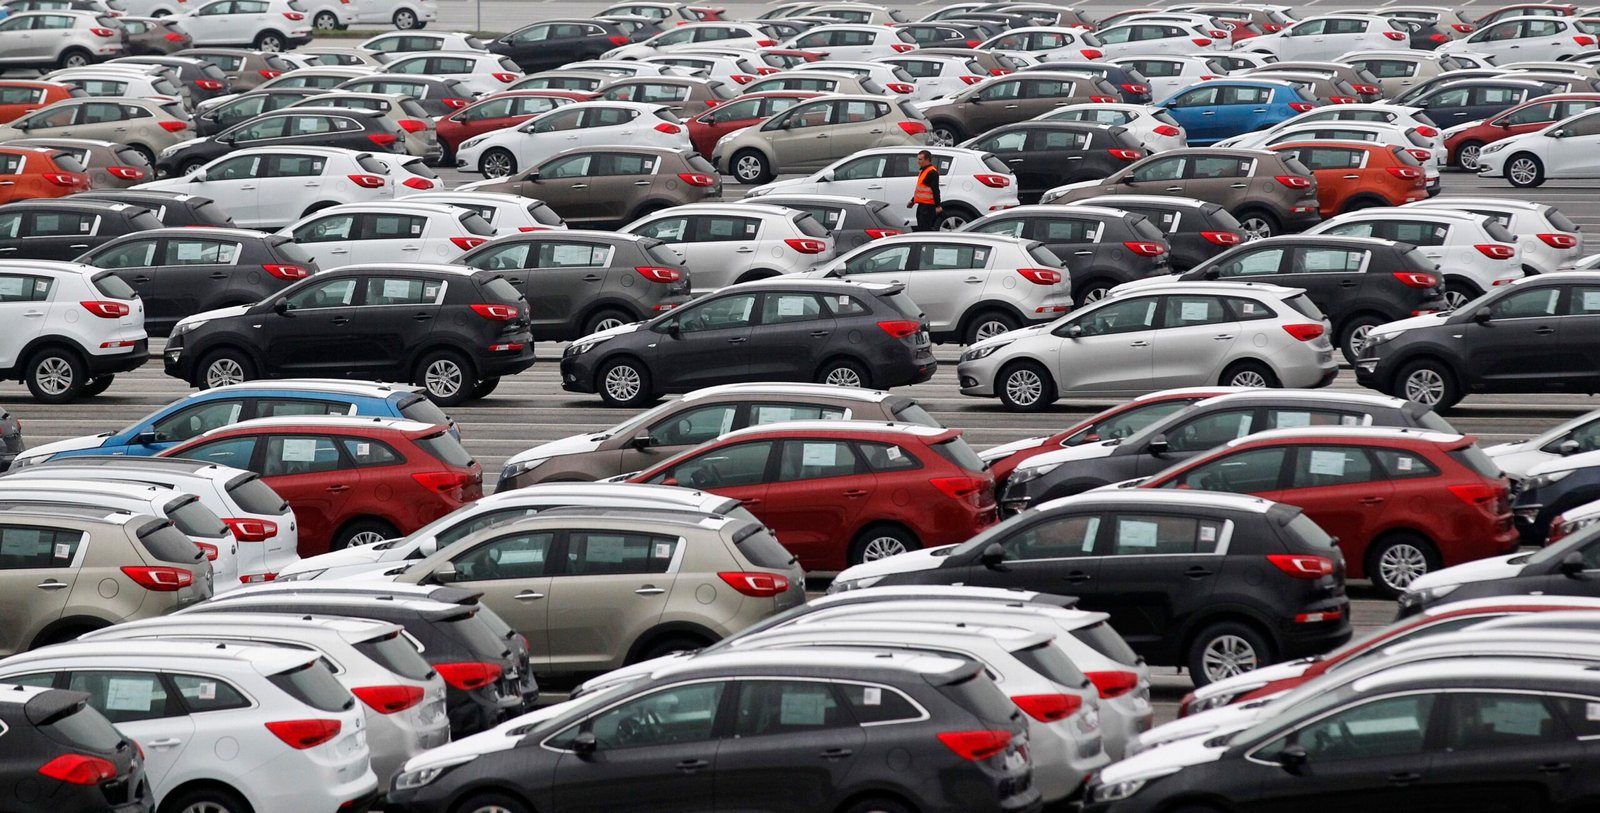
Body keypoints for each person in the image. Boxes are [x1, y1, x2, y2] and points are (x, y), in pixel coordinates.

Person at [908, 150, 942, 232]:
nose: (918, 162)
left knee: (925, 229)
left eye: (920, 159)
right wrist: (913, 201)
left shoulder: (931, 172)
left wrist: (938, 206)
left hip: (928, 207)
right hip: (922, 206)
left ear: (927, 160)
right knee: (921, 227)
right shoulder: (924, 171)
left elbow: (935, 190)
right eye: (918, 159)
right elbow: (921, 190)